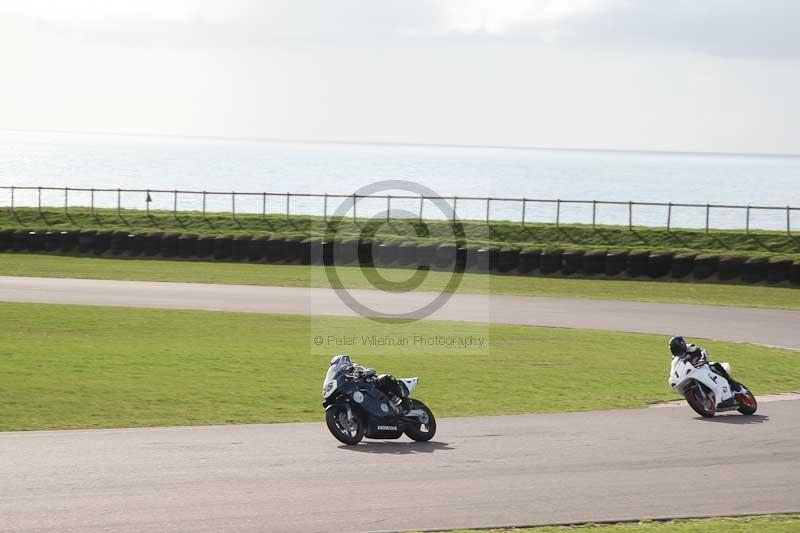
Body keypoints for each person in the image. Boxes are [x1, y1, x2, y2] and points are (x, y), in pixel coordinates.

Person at [334, 355, 408, 411]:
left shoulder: (355, 367)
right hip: (361, 390)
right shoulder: (342, 375)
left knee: (383, 378)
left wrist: (365, 372)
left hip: (372, 384)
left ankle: (398, 401)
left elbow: (370, 370)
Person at [668, 336, 741, 392]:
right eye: (674, 349)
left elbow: (702, 351)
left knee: (715, 365)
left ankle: (732, 382)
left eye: (677, 348)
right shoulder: (675, 359)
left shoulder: (690, 347)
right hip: (691, 373)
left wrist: (702, 359)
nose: (676, 351)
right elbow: (674, 369)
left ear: (682, 345)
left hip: (701, 365)